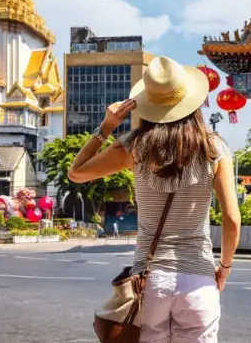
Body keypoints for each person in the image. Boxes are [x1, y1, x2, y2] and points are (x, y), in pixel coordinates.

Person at [68, 56, 241, 343]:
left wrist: (107, 126)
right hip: (198, 277)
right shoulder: (216, 149)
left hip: (150, 280)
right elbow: (232, 219)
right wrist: (223, 268)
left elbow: (76, 173)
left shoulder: (133, 147)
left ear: (147, 104)